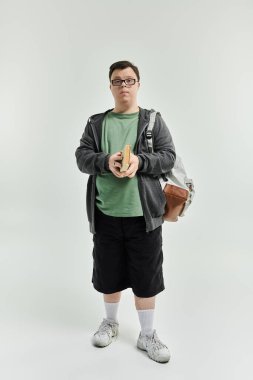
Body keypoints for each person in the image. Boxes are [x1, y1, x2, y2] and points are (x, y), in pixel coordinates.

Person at [75, 60, 176, 363]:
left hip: (144, 216)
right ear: (110, 86)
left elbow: (168, 157)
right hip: (106, 215)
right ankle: (111, 322)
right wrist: (106, 161)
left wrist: (140, 163)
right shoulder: (96, 123)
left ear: (138, 84)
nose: (123, 86)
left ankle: (147, 335)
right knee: (108, 275)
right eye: (117, 81)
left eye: (129, 80)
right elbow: (81, 157)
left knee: (146, 276)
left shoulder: (152, 121)